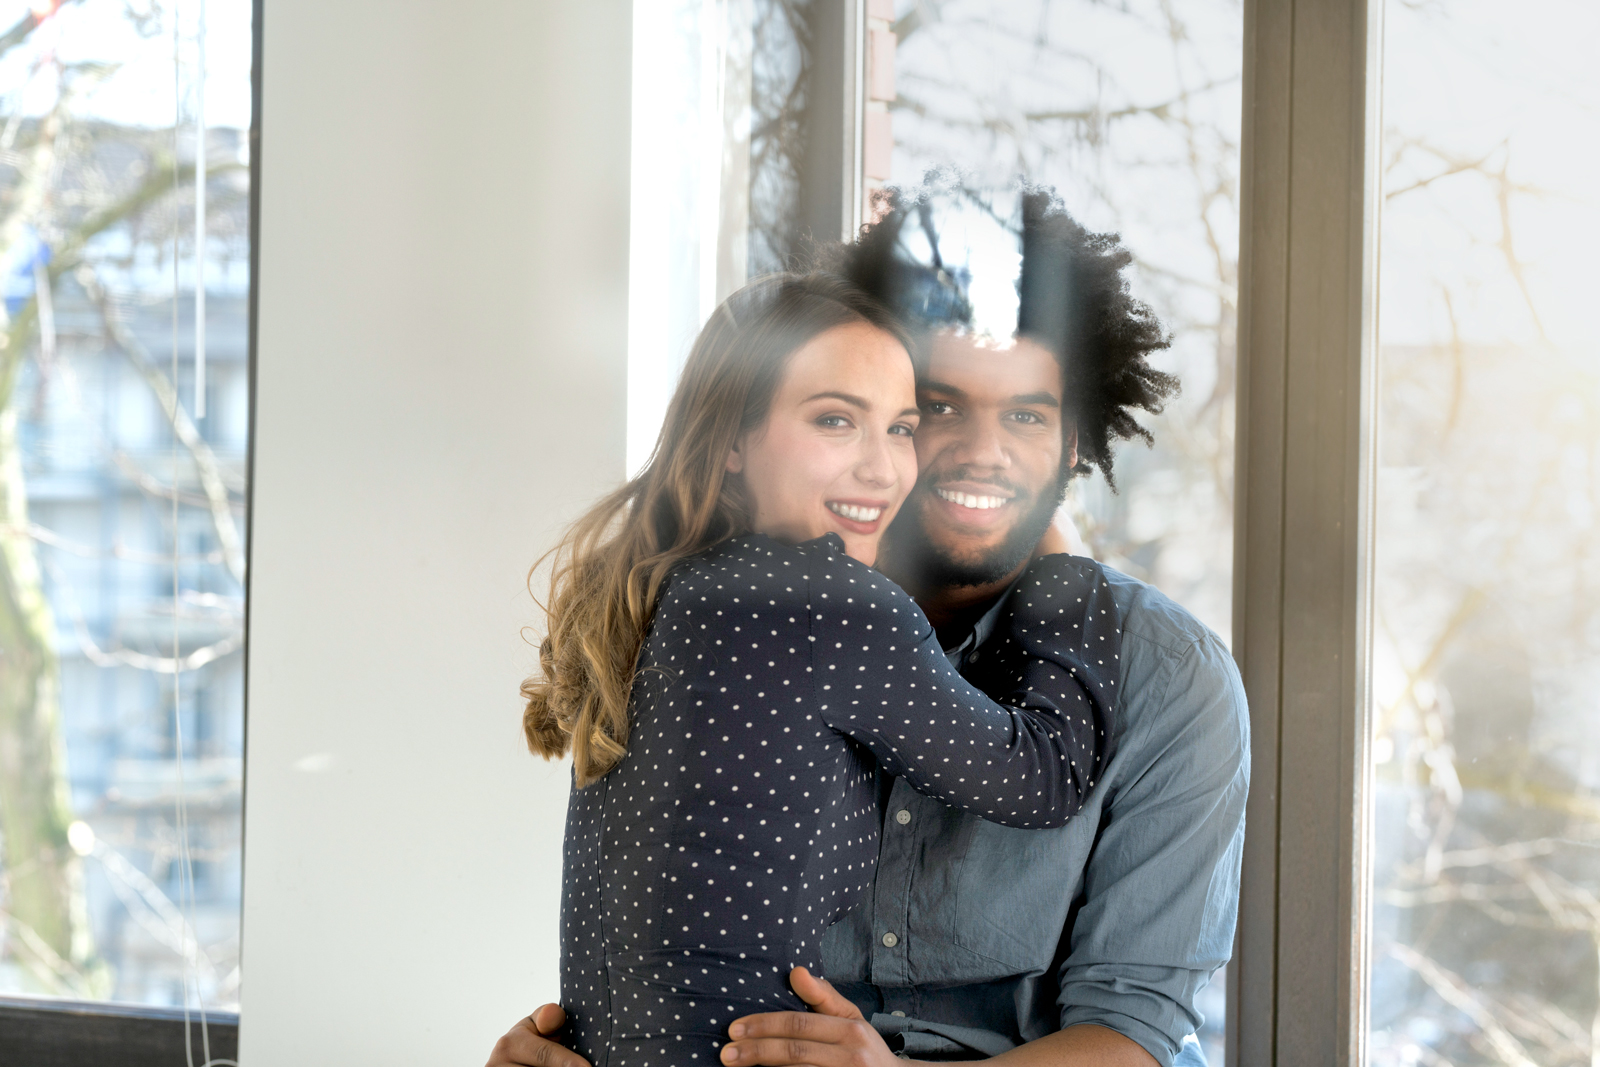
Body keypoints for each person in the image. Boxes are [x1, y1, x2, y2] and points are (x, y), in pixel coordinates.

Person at [489, 185, 1248, 1067]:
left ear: (1078, 439)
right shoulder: (748, 617)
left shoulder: (1166, 674)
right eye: (935, 408)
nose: (979, 450)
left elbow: (1136, 1035)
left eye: (1028, 416)